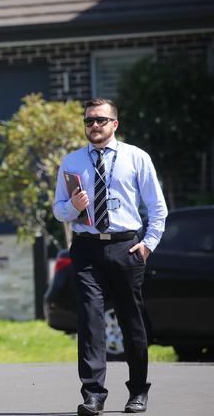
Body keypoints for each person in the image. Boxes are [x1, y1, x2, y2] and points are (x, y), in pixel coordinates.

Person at [53, 98, 167, 415]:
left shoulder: (136, 158)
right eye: (89, 121)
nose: (94, 126)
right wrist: (73, 207)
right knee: (90, 322)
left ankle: (138, 391)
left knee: (132, 322)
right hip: (87, 248)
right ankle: (93, 394)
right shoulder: (72, 162)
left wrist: (148, 244)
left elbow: (158, 208)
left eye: (101, 120)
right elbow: (58, 210)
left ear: (114, 124)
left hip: (126, 246)